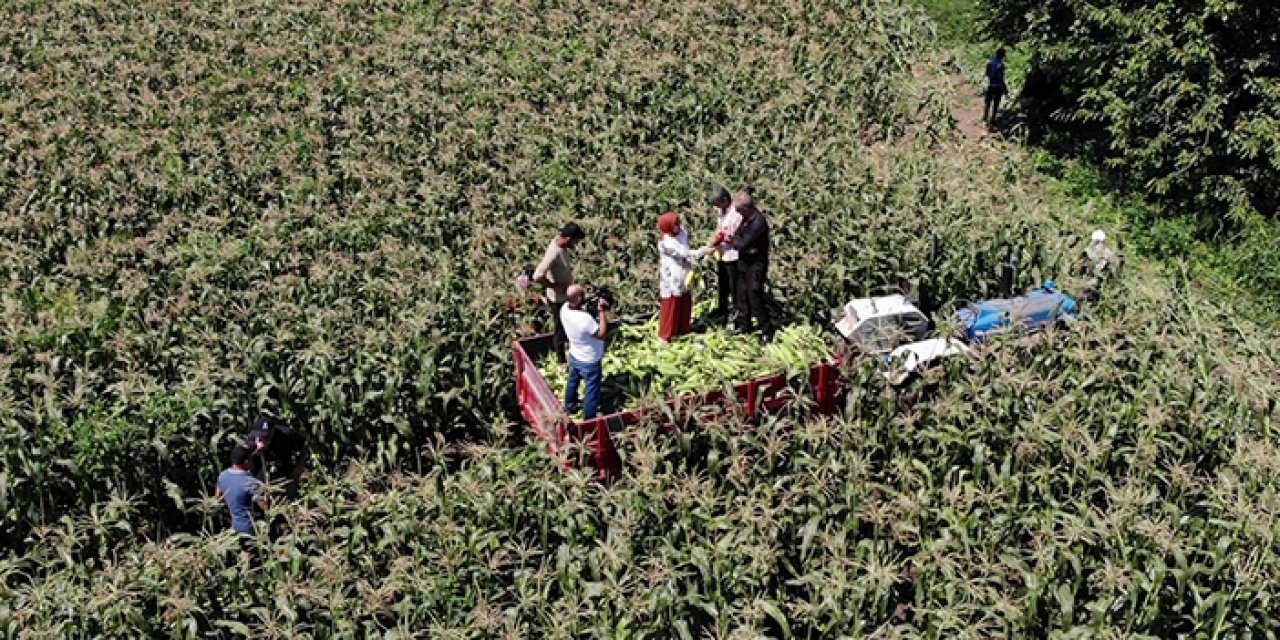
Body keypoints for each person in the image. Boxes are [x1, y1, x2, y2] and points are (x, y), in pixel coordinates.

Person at [720, 191, 773, 342]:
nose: (736, 212)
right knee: (741, 295)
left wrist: (733, 242)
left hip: (756, 265)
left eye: (738, 210)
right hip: (744, 262)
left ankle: (766, 330)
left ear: (746, 208)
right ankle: (744, 325)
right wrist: (736, 240)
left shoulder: (758, 223)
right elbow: (738, 236)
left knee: (755, 295)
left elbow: (742, 243)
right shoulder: (746, 219)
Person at [533, 222, 587, 365]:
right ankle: (561, 361)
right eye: (575, 241)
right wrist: (554, 286)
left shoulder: (560, 242)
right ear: (568, 238)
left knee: (568, 325)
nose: (576, 245)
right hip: (558, 299)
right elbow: (537, 276)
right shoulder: (554, 253)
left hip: (566, 295)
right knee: (560, 329)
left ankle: (570, 350)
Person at [657, 212, 715, 343]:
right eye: (675, 224)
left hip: (684, 271)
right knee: (671, 304)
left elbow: (686, 247)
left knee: (685, 300)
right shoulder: (666, 243)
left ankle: (683, 328)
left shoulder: (682, 233)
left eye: (678, 223)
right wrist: (702, 252)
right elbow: (683, 253)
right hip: (672, 274)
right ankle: (665, 335)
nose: (678, 226)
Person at [560, 284, 609, 419]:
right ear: (579, 298)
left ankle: (570, 406)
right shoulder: (584, 319)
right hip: (590, 359)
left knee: (572, 382)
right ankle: (589, 418)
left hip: (575, 354)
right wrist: (602, 311)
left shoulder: (564, 309)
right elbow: (602, 334)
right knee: (591, 390)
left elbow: (579, 307)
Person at [244, 415, 309, 495]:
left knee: (289, 495)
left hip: (285, 473)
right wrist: (254, 453)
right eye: (261, 437)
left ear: (273, 432)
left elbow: (304, 443)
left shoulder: (286, 434)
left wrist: (299, 467)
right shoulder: (251, 440)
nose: (263, 440)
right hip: (261, 476)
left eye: (266, 437)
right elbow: (242, 460)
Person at [707, 186, 741, 325]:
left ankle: (738, 312)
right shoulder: (722, 212)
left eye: (718, 204)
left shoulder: (736, 213)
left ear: (725, 200)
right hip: (722, 253)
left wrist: (726, 237)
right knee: (723, 284)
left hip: (733, 254)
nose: (716, 207)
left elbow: (736, 232)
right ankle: (722, 309)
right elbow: (720, 229)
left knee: (734, 285)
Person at [215, 444, 266, 537]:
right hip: (250, 527)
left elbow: (218, 498)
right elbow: (264, 506)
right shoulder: (252, 483)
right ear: (246, 461)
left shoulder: (222, 476)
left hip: (235, 525)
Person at [984, 47, 1008, 126]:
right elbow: (1001, 78)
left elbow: (987, 74)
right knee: (996, 103)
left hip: (991, 85)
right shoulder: (1001, 65)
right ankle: (993, 118)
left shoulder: (989, 62)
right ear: (1003, 56)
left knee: (988, 101)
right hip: (998, 86)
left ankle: (985, 116)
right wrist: (1005, 89)